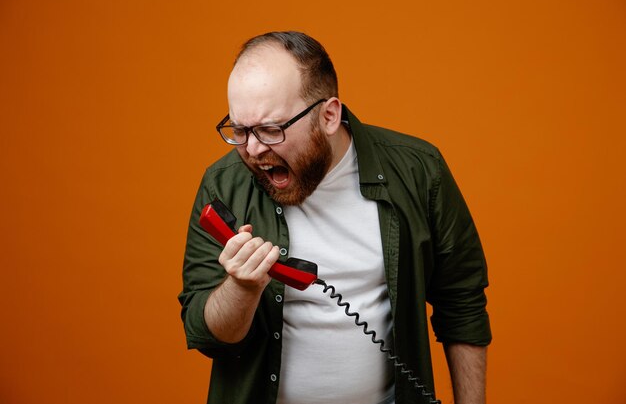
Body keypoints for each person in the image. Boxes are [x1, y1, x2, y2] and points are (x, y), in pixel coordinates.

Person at [178, 31, 491, 404]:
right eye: (240, 130)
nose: (254, 148)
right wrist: (241, 288)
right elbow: (205, 333)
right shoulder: (223, 183)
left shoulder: (420, 171)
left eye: (271, 129)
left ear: (329, 115)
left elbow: (462, 302)